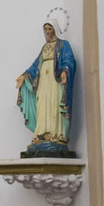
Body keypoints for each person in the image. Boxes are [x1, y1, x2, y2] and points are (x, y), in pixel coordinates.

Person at [16, 18, 77, 153]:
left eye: (50, 29)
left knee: (54, 103)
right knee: (43, 104)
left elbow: (70, 59)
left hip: (55, 80)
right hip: (43, 80)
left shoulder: (63, 44)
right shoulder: (45, 47)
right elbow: (36, 64)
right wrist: (24, 76)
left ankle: (57, 135)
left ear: (55, 29)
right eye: (46, 29)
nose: (48, 32)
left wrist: (65, 70)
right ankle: (42, 133)